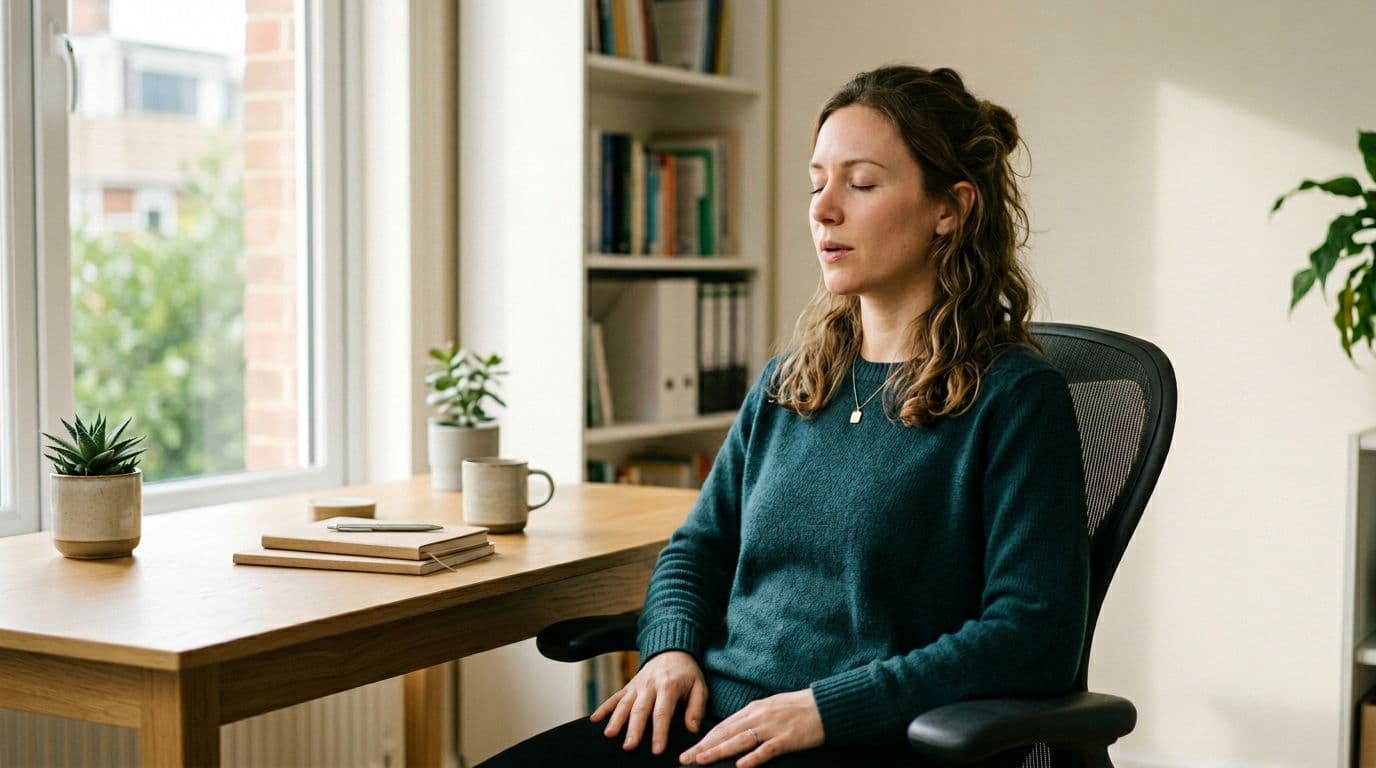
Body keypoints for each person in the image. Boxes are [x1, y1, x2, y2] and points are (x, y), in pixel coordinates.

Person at [479, 64, 1089, 768]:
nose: (824, 209)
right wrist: (669, 649)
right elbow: (697, 550)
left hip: (857, 740)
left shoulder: (1015, 399)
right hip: (707, 720)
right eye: (816, 182)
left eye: (861, 184)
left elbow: (1031, 635)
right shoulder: (790, 383)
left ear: (949, 208)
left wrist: (831, 707)